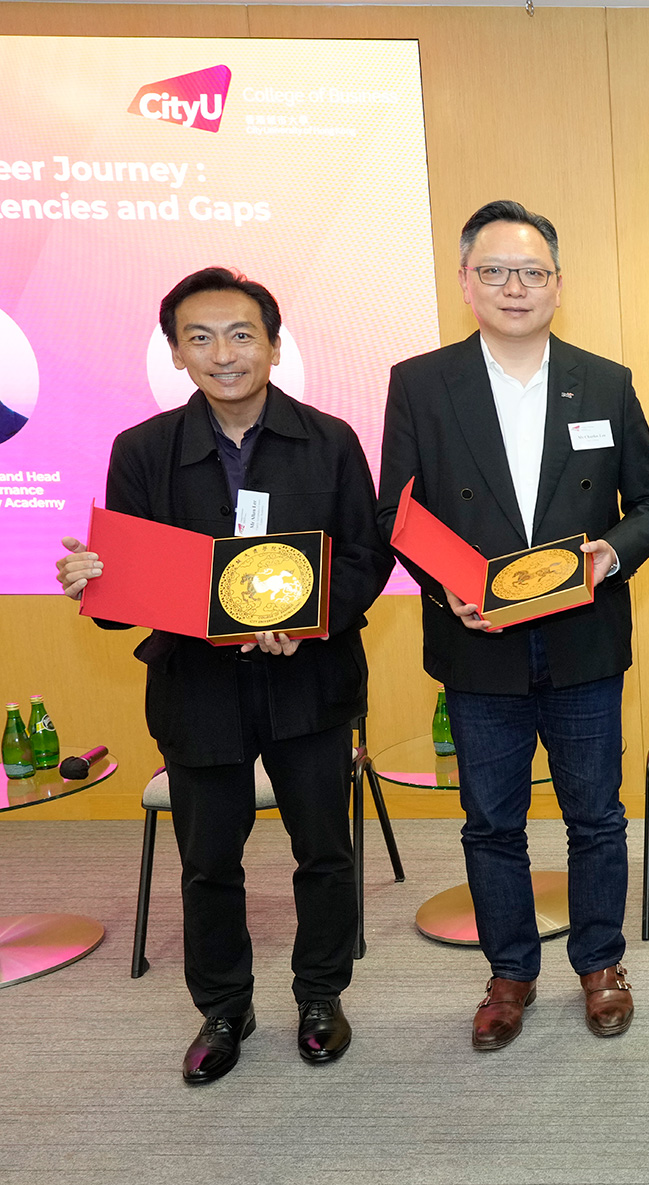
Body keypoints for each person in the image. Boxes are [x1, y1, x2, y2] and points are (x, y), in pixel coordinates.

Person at [55, 267, 393, 1083]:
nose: (223, 353)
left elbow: (365, 557)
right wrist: (95, 580)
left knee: (323, 850)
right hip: (196, 689)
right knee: (209, 859)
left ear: (274, 345)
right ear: (175, 353)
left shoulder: (331, 439)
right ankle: (223, 1005)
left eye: (242, 334)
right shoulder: (141, 451)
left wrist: (308, 623)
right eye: (199, 337)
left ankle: (319, 993)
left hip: (310, 683)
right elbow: (122, 600)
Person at [377, 200, 649, 1051]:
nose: (516, 286)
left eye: (533, 272)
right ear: (465, 281)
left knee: (596, 814)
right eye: (497, 271)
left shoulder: (604, 380)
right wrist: (446, 591)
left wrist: (610, 556)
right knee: (492, 821)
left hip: (583, 640)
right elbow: (398, 512)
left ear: (558, 284)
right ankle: (509, 971)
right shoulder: (420, 383)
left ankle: (600, 963)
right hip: (478, 643)